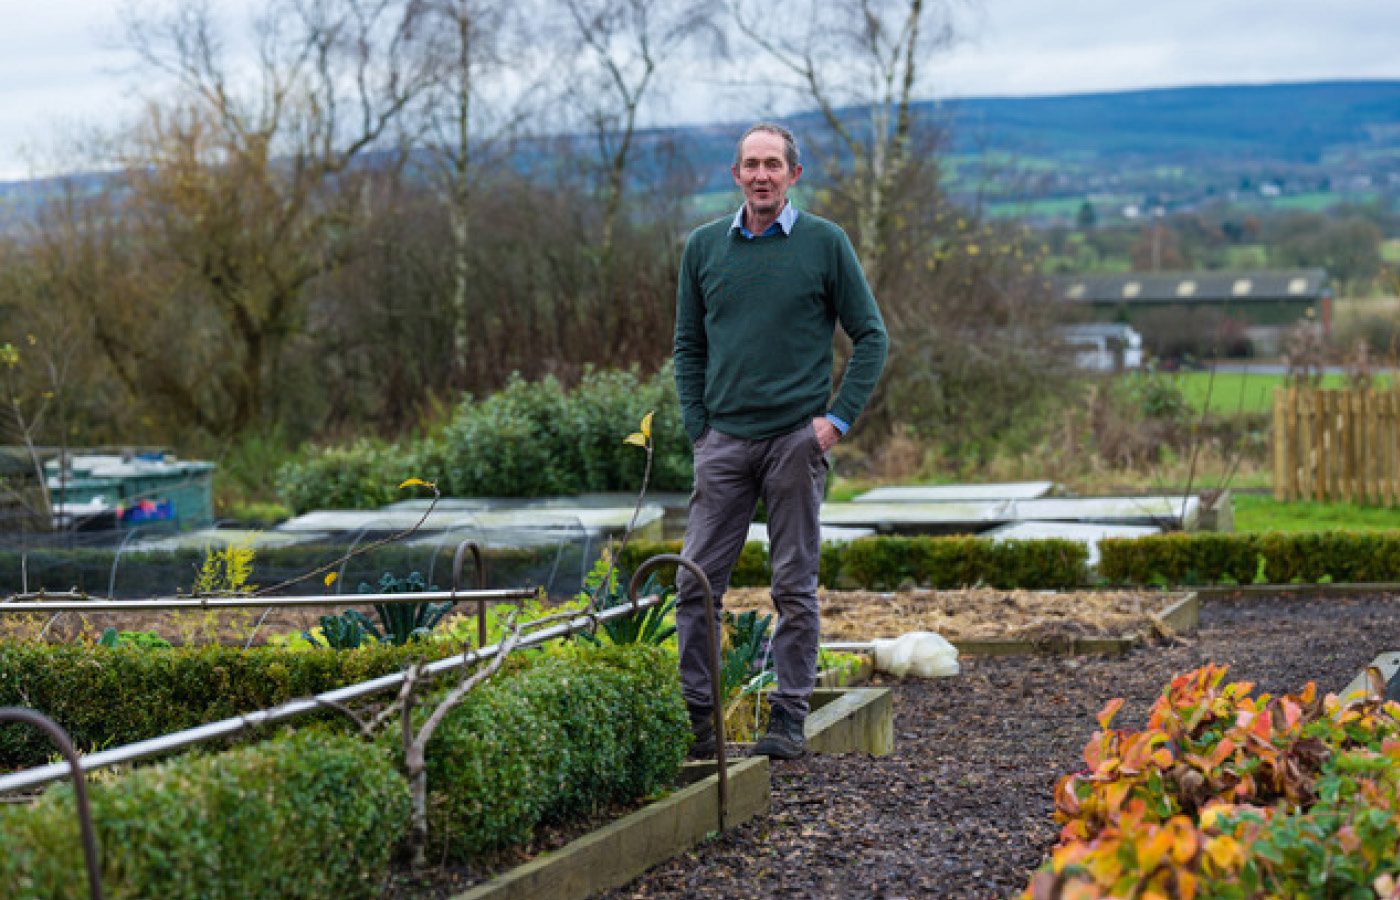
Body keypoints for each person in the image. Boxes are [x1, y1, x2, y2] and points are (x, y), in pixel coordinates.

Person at [672, 122, 888, 760]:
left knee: (794, 586)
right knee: (695, 585)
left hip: (796, 441)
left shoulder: (825, 244)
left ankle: (789, 718)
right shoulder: (704, 247)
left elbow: (870, 336)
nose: (761, 174)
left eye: (773, 164)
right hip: (724, 444)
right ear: (734, 174)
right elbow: (688, 345)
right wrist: (698, 428)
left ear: (794, 175)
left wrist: (836, 421)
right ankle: (700, 722)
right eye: (750, 164)